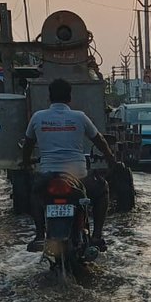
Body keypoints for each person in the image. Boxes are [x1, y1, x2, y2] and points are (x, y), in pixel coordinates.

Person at [22, 78, 118, 253]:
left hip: (47, 175)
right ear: (69, 98)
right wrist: (111, 159)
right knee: (102, 189)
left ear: (49, 97)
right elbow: (100, 140)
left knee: (35, 194)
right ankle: (96, 235)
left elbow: (27, 145)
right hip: (78, 176)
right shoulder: (79, 117)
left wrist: (26, 162)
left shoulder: (38, 117)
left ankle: (39, 235)